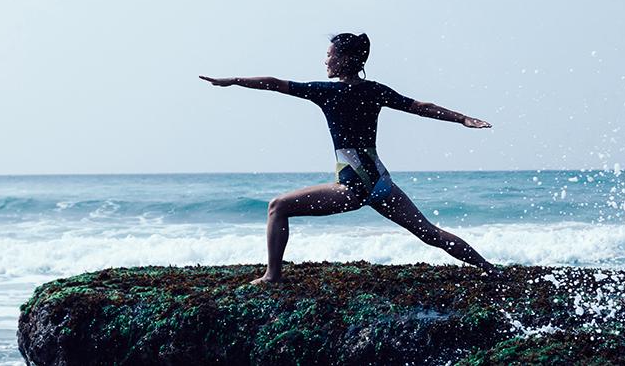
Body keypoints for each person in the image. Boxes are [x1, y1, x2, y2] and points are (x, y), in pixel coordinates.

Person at [199, 33, 500, 285]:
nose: (325, 61)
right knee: (429, 232)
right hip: (381, 182)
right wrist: (463, 118)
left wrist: (234, 80)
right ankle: (489, 268)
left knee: (278, 207)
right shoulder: (375, 90)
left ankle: (272, 275)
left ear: (344, 59)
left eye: (329, 55)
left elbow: (275, 83)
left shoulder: (324, 91)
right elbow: (420, 107)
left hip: (352, 187)